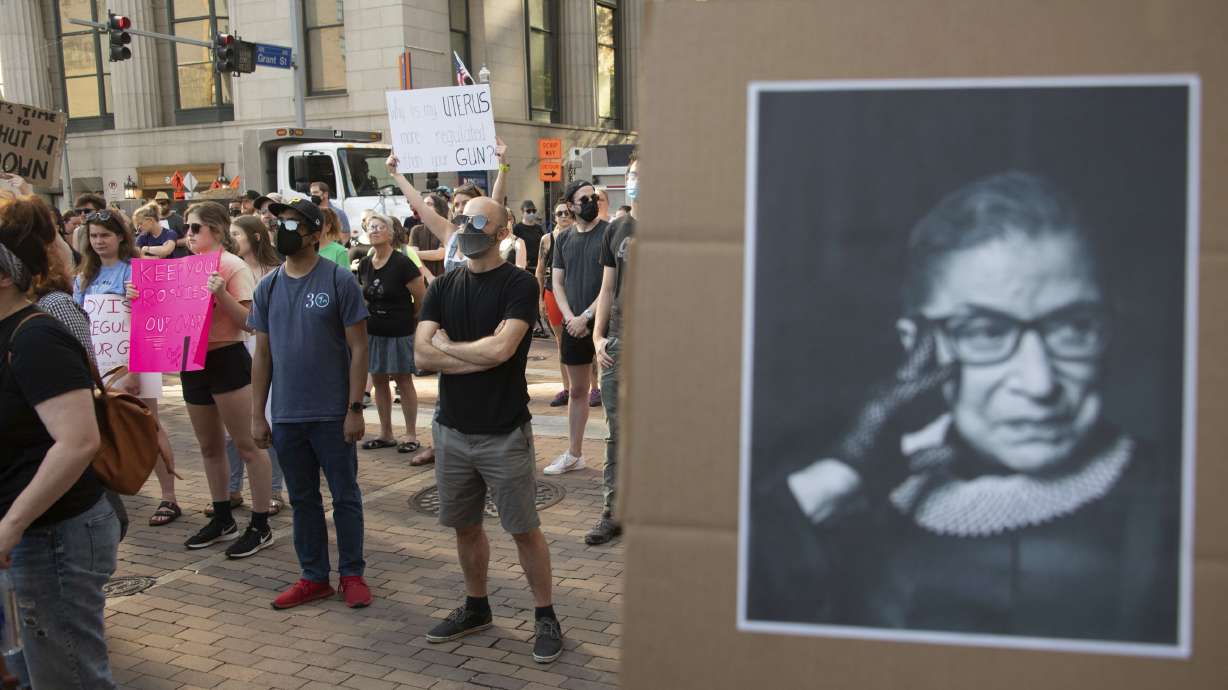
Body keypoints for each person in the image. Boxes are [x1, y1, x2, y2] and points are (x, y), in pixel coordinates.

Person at [774, 172, 1179, 642]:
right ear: (918, 349)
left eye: (1074, 327)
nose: (1039, 382)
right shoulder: (854, 511)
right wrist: (838, 476)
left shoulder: (1179, 507)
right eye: (985, 332)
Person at [414, 195, 564, 664]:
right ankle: (476, 607)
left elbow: (503, 351)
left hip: (503, 432)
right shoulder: (442, 286)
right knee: (465, 527)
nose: (466, 225)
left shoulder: (518, 284)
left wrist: (449, 347)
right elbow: (420, 356)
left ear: (504, 232)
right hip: (451, 431)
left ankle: (545, 616)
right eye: (463, 219)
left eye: (479, 220)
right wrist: (473, 353)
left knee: (524, 529)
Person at [0, 193, 119, 689]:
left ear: (5, 276)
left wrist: (12, 523)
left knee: (67, 676)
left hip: (54, 536)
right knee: (35, 670)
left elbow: (77, 441)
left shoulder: (35, 337)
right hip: (28, 534)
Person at [250, 196, 373, 610]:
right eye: (278, 222)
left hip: (333, 414)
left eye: (291, 223)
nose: (281, 229)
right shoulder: (267, 287)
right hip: (287, 416)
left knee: (345, 496)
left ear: (315, 232)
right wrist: (258, 415)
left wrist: (354, 408)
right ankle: (313, 576)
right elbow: (262, 356)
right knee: (303, 499)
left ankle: (352, 574)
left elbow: (359, 348)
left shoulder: (339, 280)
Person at [154, 201, 275, 558]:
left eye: (196, 228)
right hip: (193, 361)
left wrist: (220, 293)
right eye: (187, 229)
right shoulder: (183, 267)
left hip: (226, 358)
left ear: (217, 231)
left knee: (247, 444)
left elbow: (250, 322)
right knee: (209, 445)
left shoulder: (233, 266)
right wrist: (140, 302)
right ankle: (222, 516)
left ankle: (260, 522)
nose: (188, 235)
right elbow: (165, 317)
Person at [74, 209, 182, 527]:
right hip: (100, 367)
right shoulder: (83, 277)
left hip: (137, 362)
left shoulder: (135, 271)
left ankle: (169, 496)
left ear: (120, 236)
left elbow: (151, 321)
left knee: (149, 427)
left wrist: (135, 368)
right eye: (93, 236)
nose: (99, 242)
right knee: (105, 429)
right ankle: (110, 491)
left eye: (104, 235)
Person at [212, 216, 289, 518]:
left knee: (265, 421)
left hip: (266, 350)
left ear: (256, 236)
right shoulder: (226, 270)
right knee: (231, 428)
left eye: (236, 234)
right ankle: (232, 489)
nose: (232, 239)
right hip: (235, 348)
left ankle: (273, 490)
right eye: (228, 233)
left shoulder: (274, 272)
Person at [544, 179, 609, 475]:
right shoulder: (563, 238)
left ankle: (618, 456)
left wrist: (587, 316)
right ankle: (574, 453)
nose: (590, 202)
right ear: (570, 206)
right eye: (583, 199)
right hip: (574, 325)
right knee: (578, 390)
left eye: (592, 197)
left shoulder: (609, 233)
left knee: (612, 391)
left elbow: (613, 284)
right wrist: (571, 317)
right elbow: (557, 281)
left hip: (605, 322)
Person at [589, 153, 638, 545]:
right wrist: (598, 336)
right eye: (635, 175)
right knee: (617, 433)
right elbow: (607, 288)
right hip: (619, 345)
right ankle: (613, 510)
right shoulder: (617, 229)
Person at [357, 212, 427, 457]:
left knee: (403, 379)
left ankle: (410, 434)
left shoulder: (402, 262)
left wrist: (414, 319)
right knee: (377, 380)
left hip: (399, 329)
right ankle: (386, 432)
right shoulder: (365, 263)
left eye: (379, 227)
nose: (374, 230)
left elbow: (420, 296)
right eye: (370, 227)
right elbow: (364, 296)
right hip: (373, 331)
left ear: (390, 233)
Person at [538, 202, 574, 407]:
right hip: (552, 292)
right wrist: (540, 298)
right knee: (561, 342)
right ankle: (566, 388)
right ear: (554, 216)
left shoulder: (580, 234)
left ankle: (593, 388)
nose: (563, 216)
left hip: (576, 293)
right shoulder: (547, 239)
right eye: (559, 213)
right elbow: (540, 270)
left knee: (585, 340)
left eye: (567, 213)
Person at [410, 193, 449, 277]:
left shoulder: (446, 229)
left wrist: (412, 253)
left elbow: (440, 254)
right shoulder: (416, 230)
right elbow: (415, 259)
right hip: (423, 280)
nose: (423, 207)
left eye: (428, 204)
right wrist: (429, 276)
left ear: (439, 208)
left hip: (444, 278)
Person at [153, 191, 189, 256]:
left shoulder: (178, 219)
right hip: (159, 259)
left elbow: (188, 239)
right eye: (157, 204)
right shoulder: (153, 220)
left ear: (168, 204)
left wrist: (171, 243)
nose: (160, 206)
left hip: (177, 259)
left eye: (163, 203)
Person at [514, 200, 545, 273]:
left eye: (534, 211)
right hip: (525, 267)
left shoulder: (539, 228)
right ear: (522, 212)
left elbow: (543, 245)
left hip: (538, 266)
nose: (531, 213)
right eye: (528, 211)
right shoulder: (517, 228)